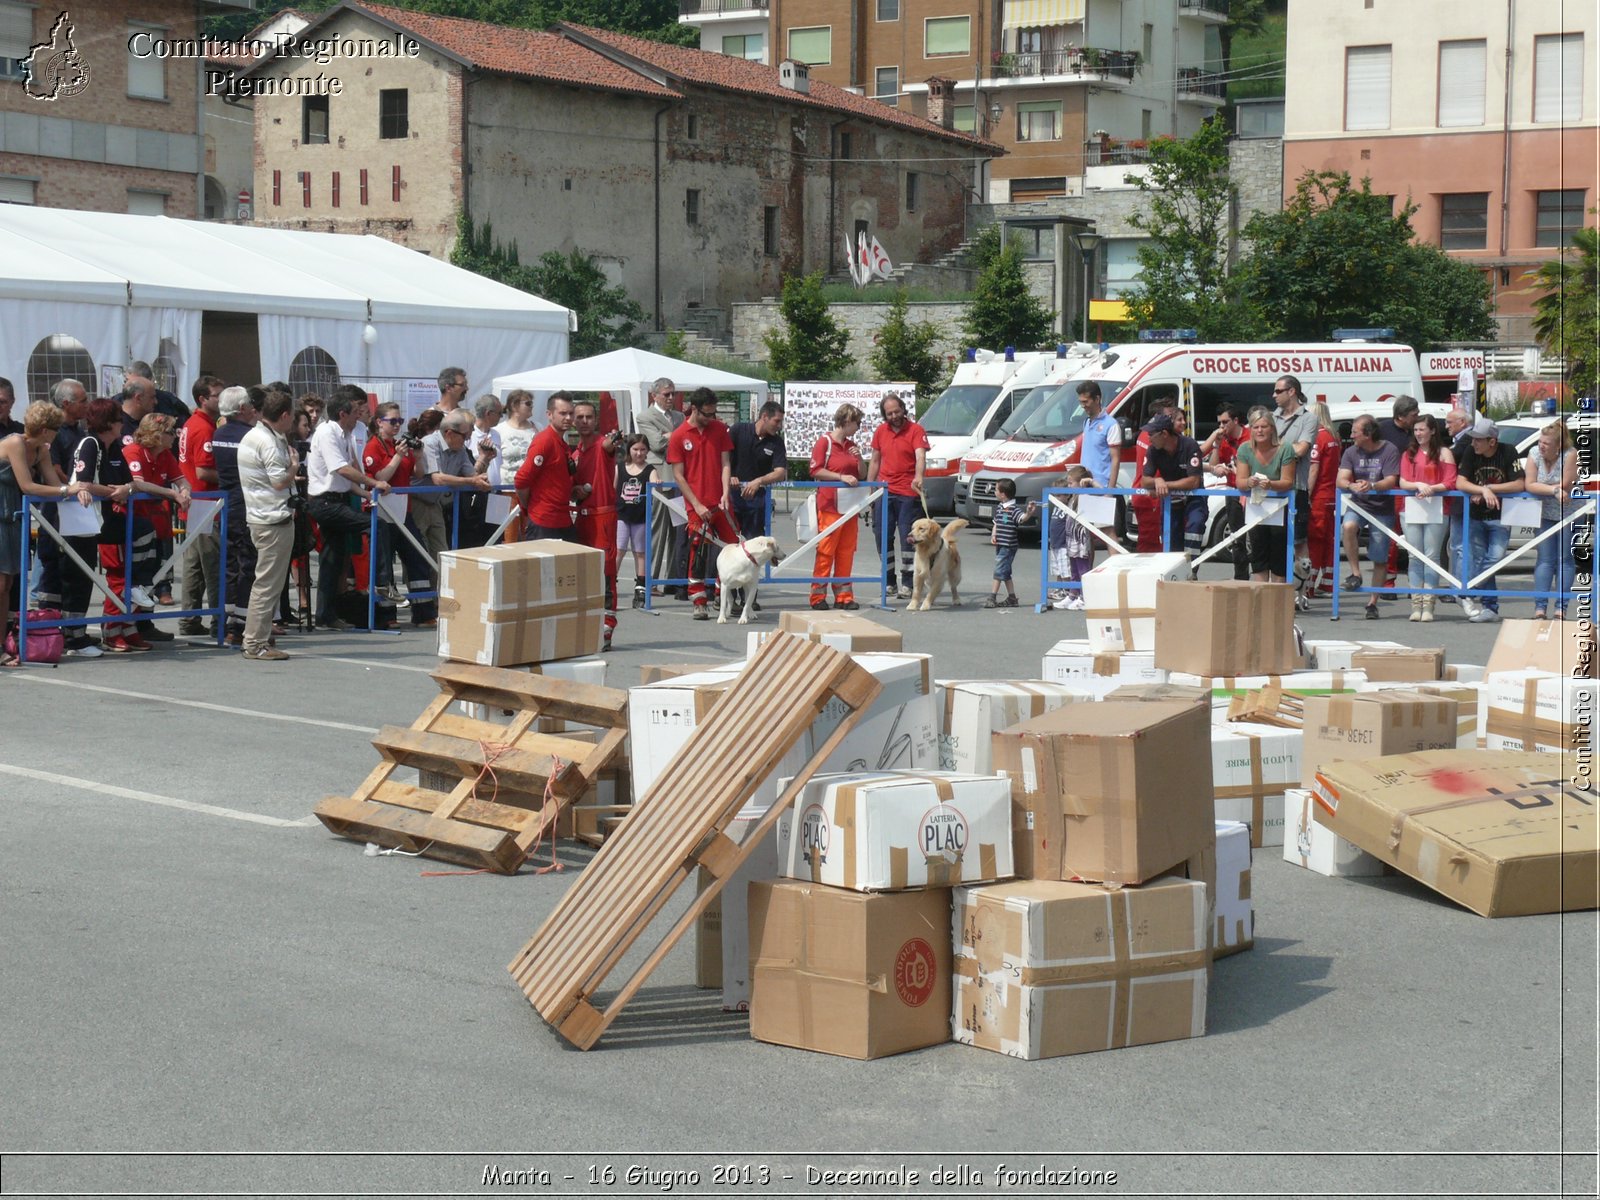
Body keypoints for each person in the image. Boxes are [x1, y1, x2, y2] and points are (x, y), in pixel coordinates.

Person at [0, 403, 87, 665]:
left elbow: (53, 483)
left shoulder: (41, 449)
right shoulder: (15, 443)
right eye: (56, 428)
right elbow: (28, 486)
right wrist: (66, 491)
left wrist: (77, 489)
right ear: (46, 429)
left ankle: (2, 646)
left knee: (7, 585)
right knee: (2, 584)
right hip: (4, 513)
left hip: (12, 517)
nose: (58, 433)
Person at [306, 386, 391, 630]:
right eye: (356, 412)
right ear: (343, 413)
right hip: (324, 502)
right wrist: (374, 482)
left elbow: (345, 480)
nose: (360, 416)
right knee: (376, 525)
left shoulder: (343, 435)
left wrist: (365, 492)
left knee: (333, 559)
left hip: (337, 497)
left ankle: (325, 615)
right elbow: (341, 469)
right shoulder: (328, 433)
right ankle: (383, 581)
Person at [362, 401, 436, 628]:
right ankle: (386, 615)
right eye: (392, 421)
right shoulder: (373, 447)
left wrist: (419, 454)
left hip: (404, 511)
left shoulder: (398, 444)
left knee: (416, 557)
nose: (396, 426)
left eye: (399, 421)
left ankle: (423, 613)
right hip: (383, 512)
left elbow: (418, 472)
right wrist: (397, 456)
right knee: (384, 564)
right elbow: (380, 476)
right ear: (379, 423)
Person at [237, 392, 299, 661]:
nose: (295, 420)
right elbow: (278, 482)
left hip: (261, 516)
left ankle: (256, 639)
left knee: (266, 583)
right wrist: (294, 468)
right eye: (293, 415)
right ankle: (255, 643)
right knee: (268, 585)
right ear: (284, 415)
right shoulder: (268, 442)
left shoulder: (255, 435)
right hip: (272, 519)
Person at [33, 379, 94, 649]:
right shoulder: (55, 433)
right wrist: (73, 485)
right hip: (55, 513)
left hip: (76, 512)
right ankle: (48, 631)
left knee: (77, 572)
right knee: (54, 572)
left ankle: (72, 632)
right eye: (82, 400)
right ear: (66, 404)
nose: (87, 404)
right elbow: (54, 469)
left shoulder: (80, 431)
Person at [666, 388, 736, 620]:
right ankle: (698, 598)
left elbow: (726, 463)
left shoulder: (718, 429)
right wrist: (695, 504)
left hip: (721, 501)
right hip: (697, 503)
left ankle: (722, 594)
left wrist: (726, 493)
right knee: (699, 550)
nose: (711, 418)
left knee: (731, 547)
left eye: (713, 413)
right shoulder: (679, 435)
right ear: (694, 409)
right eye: (707, 414)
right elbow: (679, 475)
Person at [1454, 417, 1524, 623]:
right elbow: (1460, 482)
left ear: (1491, 441)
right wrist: (1482, 490)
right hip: (1476, 515)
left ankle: (1470, 587)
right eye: (1472, 439)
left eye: (1478, 440)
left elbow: (1519, 484)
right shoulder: (1469, 452)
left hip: (1501, 516)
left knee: (1495, 558)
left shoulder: (1508, 451)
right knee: (1480, 560)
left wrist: (1491, 489)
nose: (1473, 443)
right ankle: (1490, 607)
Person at [1337, 416, 1401, 620]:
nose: (1351, 435)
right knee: (1348, 526)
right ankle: (1356, 573)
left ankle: (1372, 602)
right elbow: (1341, 478)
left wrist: (1372, 485)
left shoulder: (1389, 449)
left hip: (1382, 508)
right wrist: (1351, 485)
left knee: (1379, 557)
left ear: (1368, 434)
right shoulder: (1351, 451)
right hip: (1359, 504)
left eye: (1355, 431)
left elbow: (1392, 479)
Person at [867, 391, 929, 599]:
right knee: (881, 536)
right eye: (889, 413)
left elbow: (920, 456)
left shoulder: (915, 430)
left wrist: (918, 476)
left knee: (908, 538)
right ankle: (889, 580)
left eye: (896, 411)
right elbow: (875, 460)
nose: (893, 416)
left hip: (907, 492)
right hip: (884, 491)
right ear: (884, 415)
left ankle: (909, 583)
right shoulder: (880, 431)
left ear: (903, 409)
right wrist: (871, 485)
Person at [1397, 413, 1458, 623]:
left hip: (1437, 508)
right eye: (1415, 430)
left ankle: (1429, 604)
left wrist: (1432, 488)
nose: (1418, 433)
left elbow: (1451, 481)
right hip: (1411, 506)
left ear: (1432, 430)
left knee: (1431, 556)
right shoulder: (1409, 453)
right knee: (1414, 556)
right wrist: (1418, 485)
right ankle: (1416, 603)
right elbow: (1403, 481)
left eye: (1422, 429)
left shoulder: (1444, 453)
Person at [573, 398, 622, 649]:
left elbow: (609, 444)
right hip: (581, 517)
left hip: (602, 515)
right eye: (579, 417)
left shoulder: (602, 446)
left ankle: (606, 627)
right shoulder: (575, 452)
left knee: (606, 572)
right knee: (585, 573)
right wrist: (576, 491)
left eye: (588, 417)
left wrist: (615, 439)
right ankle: (588, 626)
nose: (584, 421)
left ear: (595, 420)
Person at [211, 387, 258, 646]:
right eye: (250, 405)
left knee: (229, 565)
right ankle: (239, 625)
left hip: (227, 504)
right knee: (247, 565)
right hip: (247, 505)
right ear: (241, 409)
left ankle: (223, 621)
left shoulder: (218, 434)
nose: (253, 409)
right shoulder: (251, 436)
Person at [176, 376, 223, 636]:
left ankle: (190, 618)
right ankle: (218, 619)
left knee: (194, 565)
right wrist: (233, 476)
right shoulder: (203, 427)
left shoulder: (193, 423)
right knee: (212, 565)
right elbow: (204, 471)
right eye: (217, 395)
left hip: (195, 503)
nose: (222, 399)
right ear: (203, 399)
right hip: (205, 503)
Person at [808, 403, 864, 611]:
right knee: (826, 550)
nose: (858, 427)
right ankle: (817, 596)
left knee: (846, 550)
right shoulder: (825, 443)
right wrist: (840, 477)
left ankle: (844, 595)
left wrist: (859, 458)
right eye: (857, 423)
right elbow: (815, 470)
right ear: (847, 421)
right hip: (830, 505)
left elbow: (863, 474)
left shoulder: (851, 445)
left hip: (849, 506)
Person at [1233, 407, 1297, 583]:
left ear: (1272, 429)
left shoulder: (1285, 449)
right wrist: (1249, 482)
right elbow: (1240, 481)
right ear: (1251, 430)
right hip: (1256, 506)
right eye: (1255, 427)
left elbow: (1288, 482)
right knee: (1258, 557)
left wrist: (1271, 484)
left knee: (1278, 556)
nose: (1260, 431)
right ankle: (1259, 603)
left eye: (1264, 426)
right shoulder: (1245, 449)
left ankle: (1277, 603)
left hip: (1280, 507)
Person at [1523, 420, 1578, 621]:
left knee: (1564, 559)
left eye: (1546, 443)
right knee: (1545, 559)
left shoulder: (1570, 455)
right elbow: (1529, 484)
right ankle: (1540, 607)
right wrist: (1553, 489)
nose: (1541, 446)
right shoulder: (1534, 454)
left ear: (1558, 446)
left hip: (1567, 511)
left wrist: (1547, 486)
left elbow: (1565, 483)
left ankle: (1561, 608)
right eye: (1540, 441)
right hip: (1543, 512)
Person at [637, 378, 685, 595]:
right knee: (657, 531)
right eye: (666, 394)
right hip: (659, 480)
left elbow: (684, 444)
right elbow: (656, 444)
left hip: (680, 480)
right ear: (654, 395)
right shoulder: (645, 416)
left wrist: (670, 436)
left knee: (679, 533)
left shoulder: (679, 416)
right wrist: (678, 435)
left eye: (672, 394)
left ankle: (674, 580)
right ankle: (652, 580)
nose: (670, 398)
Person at [513, 391, 579, 542]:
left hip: (561, 519)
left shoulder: (561, 443)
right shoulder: (545, 441)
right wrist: (530, 507)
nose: (568, 418)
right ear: (549, 414)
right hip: (544, 521)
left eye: (571, 413)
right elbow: (521, 480)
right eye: (563, 413)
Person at [1272, 375, 1318, 585]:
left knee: (1298, 540)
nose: (1274, 395)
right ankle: (1279, 588)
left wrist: (1277, 453)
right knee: (1275, 540)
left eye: (1278, 391)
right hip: (1272, 488)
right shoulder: (1272, 417)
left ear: (1292, 391)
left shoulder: (1308, 418)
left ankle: (1302, 590)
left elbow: (1302, 449)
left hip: (1296, 487)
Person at [1074, 380, 1123, 567]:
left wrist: (1110, 490)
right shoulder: (1087, 422)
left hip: (1100, 487)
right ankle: (1087, 578)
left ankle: (1118, 574)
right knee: (1085, 536)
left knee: (1108, 532)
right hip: (1084, 487)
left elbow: (1115, 459)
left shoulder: (1111, 425)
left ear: (1097, 399)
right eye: (1081, 402)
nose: (1083, 406)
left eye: (1086, 401)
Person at [1136, 412, 1202, 552]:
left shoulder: (1190, 445)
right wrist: (1157, 480)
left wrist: (1165, 485)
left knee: (1195, 525)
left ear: (1164, 434)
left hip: (1194, 497)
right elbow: (1144, 481)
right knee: (1171, 541)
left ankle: (1192, 569)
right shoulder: (1153, 450)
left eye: (1152, 434)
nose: (1149, 438)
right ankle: (1177, 573)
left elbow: (1194, 481)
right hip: (1171, 501)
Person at [1202, 403, 1250, 581]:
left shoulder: (1249, 436)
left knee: (1255, 536)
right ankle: (1241, 577)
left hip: (1251, 492)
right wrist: (1216, 445)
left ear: (1236, 421)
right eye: (1219, 423)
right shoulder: (1224, 440)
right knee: (1236, 537)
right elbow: (1214, 466)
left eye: (1225, 422)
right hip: (1233, 492)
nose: (1221, 427)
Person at [729, 400, 787, 540]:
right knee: (727, 546)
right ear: (765, 416)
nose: (779, 426)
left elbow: (780, 473)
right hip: (731, 498)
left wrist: (758, 481)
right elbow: (720, 458)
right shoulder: (738, 430)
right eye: (776, 421)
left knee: (754, 548)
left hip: (757, 502)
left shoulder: (777, 442)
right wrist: (730, 476)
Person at [1303, 402, 1343, 601]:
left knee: (1315, 541)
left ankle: (1308, 586)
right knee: (1329, 541)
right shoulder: (1334, 437)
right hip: (1332, 495)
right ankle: (1328, 583)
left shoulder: (1317, 437)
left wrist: (1306, 494)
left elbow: (1313, 469)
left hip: (1319, 495)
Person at [1130, 393, 1179, 551]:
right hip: (1150, 495)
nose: (1172, 419)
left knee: (1155, 541)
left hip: (1149, 493)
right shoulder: (1151, 437)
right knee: (1150, 544)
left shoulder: (1146, 435)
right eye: (1170, 416)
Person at [615, 434, 654, 608]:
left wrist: (657, 482)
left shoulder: (649, 469)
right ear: (629, 450)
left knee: (640, 552)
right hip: (622, 516)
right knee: (618, 550)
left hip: (640, 517)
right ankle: (610, 583)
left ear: (647, 451)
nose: (639, 453)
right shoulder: (620, 468)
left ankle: (641, 585)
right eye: (635, 449)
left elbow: (655, 482)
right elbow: (613, 487)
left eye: (642, 450)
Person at [1048, 465, 1094, 610]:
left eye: (1070, 483)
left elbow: (1100, 491)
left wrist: (1089, 482)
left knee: (1082, 568)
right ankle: (1072, 594)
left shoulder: (1085, 495)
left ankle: (1085, 597)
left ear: (1080, 482)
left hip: (1080, 539)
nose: (1068, 486)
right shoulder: (1073, 497)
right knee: (1074, 568)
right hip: (1070, 538)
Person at [460, 394, 503, 547]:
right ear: (488, 413)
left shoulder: (496, 434)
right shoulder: (469, 435)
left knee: (497, 538)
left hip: (497, 494)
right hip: (476, 496)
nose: (501, 417)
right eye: (500, 413)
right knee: (476, 539)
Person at [497, 389, 537, 542]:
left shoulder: (536, 427)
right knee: (506, 536)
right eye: (528, 403)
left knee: (529, 535)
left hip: (530, 492)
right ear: (514, 406)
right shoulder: (499, 430)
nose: (531, 406)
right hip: (504, 490)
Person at [984, 477, 1029, 608]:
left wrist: (1029, 513)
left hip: (1009, 546)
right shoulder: (1000, 507)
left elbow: (1022, 518)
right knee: (1005, 572)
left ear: (1003, 494)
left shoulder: (1014, 509)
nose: (994, 492)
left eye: (996, 490)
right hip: (1001, 544)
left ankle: (992, 597)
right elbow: (996, 523)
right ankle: (1012, 598)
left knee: (998, 571)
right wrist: (994, 534)